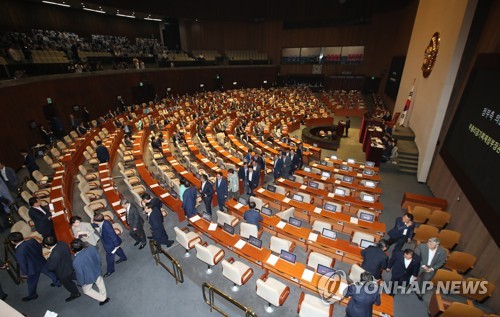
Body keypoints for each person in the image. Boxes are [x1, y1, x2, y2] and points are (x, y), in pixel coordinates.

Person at [8, 231, 59, 301]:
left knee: (31, 282)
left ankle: (32, 295)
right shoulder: (32, 240)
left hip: (31, 269)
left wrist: (25, 273)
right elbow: (39, 247)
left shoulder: (18, 251)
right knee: (50, 272)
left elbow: (22, 263)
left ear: (13, 242)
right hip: (40, 261)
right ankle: (57, 282)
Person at [70, 239, 110, 306]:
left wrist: (81, 283)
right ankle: (103, 295)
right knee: (100, 282)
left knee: (87, 290)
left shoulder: (76, 261)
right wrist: (99, 267)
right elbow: (99, 258)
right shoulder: (92, 248)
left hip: (88, 278)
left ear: (73, 250)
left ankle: (103, 298)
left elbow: (80, 274)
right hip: (97, 270)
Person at [42, 236, 81, 302]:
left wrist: (48, 258)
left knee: (68, 284)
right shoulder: (62, 243)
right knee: (75, 275)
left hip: (63, 272)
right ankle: (87, 280)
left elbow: (51, 267)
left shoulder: (54, 254)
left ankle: (75, 294)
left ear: (46, 245)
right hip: (69, 264)